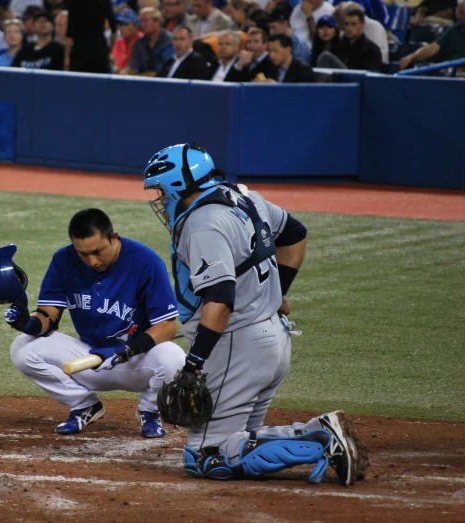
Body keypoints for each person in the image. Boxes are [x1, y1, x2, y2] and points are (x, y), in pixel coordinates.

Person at [141, 143, 368, 486]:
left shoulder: (202, 224)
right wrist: (281, 293)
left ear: (177, 186)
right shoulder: (243, 198)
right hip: (272, 339)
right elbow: (294, 234)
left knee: (209, 456)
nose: (158, 200)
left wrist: (194, 363)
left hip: (237, 346)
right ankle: (307, 437)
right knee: (239, 439)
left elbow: (219, 299)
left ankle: (320, 437)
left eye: (160, 191)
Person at [4, 209, 186, 437]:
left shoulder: (145, 262)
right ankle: (84, 405)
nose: (92, 261)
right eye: (84, 254)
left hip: (136, 360)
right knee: (22, 347)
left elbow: (167, 326)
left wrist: (125, 351)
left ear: (114, 237)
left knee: (174, 358)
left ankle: (150, 411)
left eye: (98, 251)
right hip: (91, 359)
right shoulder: (64, 260)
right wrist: (28, 324)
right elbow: (47, 316)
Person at [399, 0, 465, 71]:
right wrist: (411, 57)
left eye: (461, 12)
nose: (457, 14)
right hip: (448, 72)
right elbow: (433, 48)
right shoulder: (456, 29)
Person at [66, 0, 116, 73]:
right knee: (99, 82)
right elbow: (113, 30)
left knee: (78, 82)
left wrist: (66, 57)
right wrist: (110, 51)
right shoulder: (104, 1)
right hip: (99, 50)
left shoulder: (74, 2)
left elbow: (70, 33)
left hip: (80, 51)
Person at [127, 7, 173, 75]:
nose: (142, 24)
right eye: (141, 21)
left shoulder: (170, 41)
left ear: (157, 21)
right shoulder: (139, 43)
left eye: (146, 21)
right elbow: (134, 68)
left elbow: (164, 70)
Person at [112, 9, 143, 74]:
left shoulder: (141, 40)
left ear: (135, 26)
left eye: (125, 24)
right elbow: (114, 63)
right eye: (120, 24)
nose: (122, 28)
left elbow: (135, 69)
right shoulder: (119, 41)